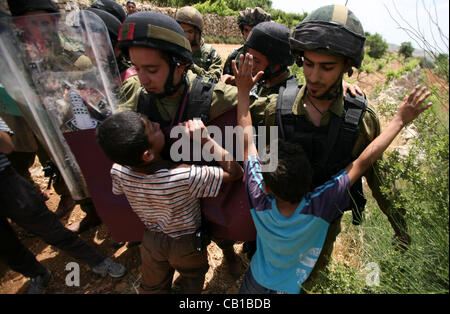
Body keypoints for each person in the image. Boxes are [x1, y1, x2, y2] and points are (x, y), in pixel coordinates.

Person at [233, 52, 431, 294]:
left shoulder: (259, 196)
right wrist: (399, 121)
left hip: (257, 282)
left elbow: (246, 138)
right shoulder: (320, 204)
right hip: (294, 287)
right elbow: (362, 162)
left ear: (265, 186)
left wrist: (243, 91)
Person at [257, 4, 413, 290]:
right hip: (277, 219)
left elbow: (379, 181)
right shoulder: (275, 108)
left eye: (327, 67)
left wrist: (400, 227)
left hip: (322, 227)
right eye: (308, 63)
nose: (314, 76)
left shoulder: (360, 121)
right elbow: (246, 140)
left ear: (347, 66)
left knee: (309, 280)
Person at [117, 11, 245, 277]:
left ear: (180, 65)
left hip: (206, 185)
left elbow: (263, 108)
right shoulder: (135, 94)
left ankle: (229, 253)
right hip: (167, 209)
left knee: (219, 230)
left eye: (152, 70)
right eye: (137, 68)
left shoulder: (213, 98)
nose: (142, 80)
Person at [96, 111, 243, 293]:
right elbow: (235, 172)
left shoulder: (118, 171)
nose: (158, 125)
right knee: (191, 278)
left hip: (151, 240)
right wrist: (205, 140)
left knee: (153, 286)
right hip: (185, 242)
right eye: (152, 128)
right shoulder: (183, 176)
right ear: (147, 154)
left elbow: (118, 189)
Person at [0, 116, 127, 294]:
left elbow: (7, 146)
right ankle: (37, 274)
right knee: (4, 245)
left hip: (5, 181)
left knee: (48, 227)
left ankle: (97, 261)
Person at [175, 6, 222, 83]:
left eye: (190, 32)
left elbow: (212, 81)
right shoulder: (173, 50)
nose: (186, 36)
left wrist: (193, 67)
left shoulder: (212, 55)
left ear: (198, 32)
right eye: (182, 31)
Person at [222, 7, 271, 77]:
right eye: (246, 30)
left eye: (253, 31)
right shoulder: (234, 58)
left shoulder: (272, 58)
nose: (248, 35)